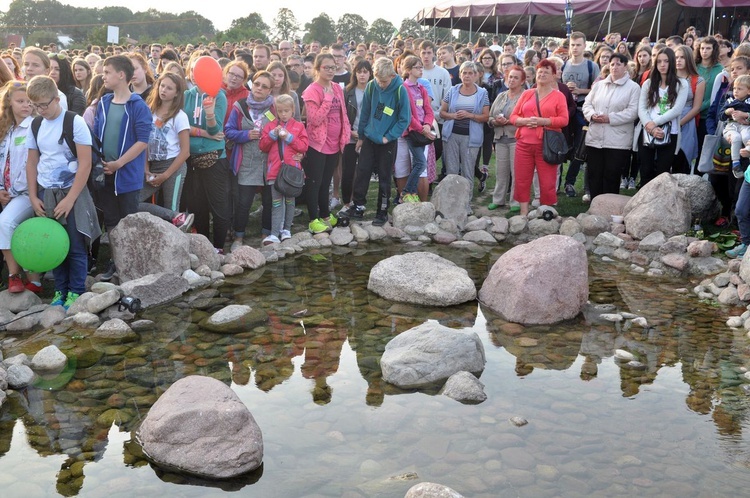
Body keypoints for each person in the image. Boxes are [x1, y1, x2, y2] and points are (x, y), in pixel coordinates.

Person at [26, 75, 101, 309]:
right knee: (54, 245)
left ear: (57, 99)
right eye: (35, 106)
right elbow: (31, 162)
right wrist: (32, 195)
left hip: (73, 191)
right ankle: (60, 291)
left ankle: (76, 292)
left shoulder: (74, 122)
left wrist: (70, 199)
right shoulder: (36, 124)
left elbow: (85, 163)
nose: (40, 110)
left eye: (44, 105)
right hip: (47, 191)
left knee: (76, 245)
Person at [93, 55, 152, 280]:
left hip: (126, 175)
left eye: (107, 72)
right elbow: (98, 134)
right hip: (105, 174)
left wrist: (120, 163)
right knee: (111, 221)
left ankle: (132, 264)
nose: (103, 76)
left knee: (128, 220)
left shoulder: (138, 105)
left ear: (121, 75)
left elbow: (142, 141)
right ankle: (115, 261)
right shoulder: (105, 102)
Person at [340, 57, 409, 226]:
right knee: (362, 171)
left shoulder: (400, 90)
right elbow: (365, 114)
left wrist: (389, 136)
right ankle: (358, 205)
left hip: (387, 141)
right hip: (370, 138)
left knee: (385, 176)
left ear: (392, 76)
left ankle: (382, 211)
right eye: (378, 80)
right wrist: (362, 137)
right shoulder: (372, 86)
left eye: (384, 81)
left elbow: (404, 119)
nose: (381, 84)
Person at [509, 59, 569, 216]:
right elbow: (514, 116)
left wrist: (544, 121)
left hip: (546, 145)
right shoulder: (527, 94)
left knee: (547, 181)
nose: (542, 74)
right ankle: (523, 212)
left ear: (554, 76)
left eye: (546, 72)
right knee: (522, 179)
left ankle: (546, 212)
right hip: (524, 143)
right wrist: (524, 121)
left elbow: (564, 120)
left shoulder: (559, 96)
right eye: (540, 71)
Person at [184, 53, 230, 252]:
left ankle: (219, 247)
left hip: (214, 159)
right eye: (194, 71)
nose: (196, 75)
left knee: (218, 204)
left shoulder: (218, 95)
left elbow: (216, 130)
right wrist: (202, 133)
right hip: (190, 158)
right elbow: (182, 127)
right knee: (197, 205)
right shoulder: (186, 96)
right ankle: (204, 248)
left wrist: (210, 116)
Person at [225, 71, 275, 249]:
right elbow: (228, 131)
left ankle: (266, 235)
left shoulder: (274, 108)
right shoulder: (240, 106)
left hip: (269, 163)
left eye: (264, 86)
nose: (259, 88)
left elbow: (284, 128)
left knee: (269, 201)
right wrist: (246, 134)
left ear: (270, 90)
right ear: (252, 85)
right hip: (246, 161)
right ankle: (239, 237)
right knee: (244, 202)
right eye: (257, 84)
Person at [301, 54, 351, 233]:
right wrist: (327, 99)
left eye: (333, 67)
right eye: (326, 67)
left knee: (326, 182)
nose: (330, 71)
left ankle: (324, 214)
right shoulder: (312, 91)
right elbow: (314, 119)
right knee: (315, 182)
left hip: (334, 143)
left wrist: (345, 134)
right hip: (317, 144)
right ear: (317, 69)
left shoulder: (337, 87)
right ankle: (313, 219)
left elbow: (342, 114)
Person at [0, 81, 42, 293]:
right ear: (9, 102)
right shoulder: (5, 128)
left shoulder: (35, 126)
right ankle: (33, 280)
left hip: (28, 192)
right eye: (20, 101)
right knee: (13, 229)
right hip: (8, 192)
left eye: (28, 101)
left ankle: (14, 275)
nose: (26, 105)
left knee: (6, 223)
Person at [581, 53, 640, 200]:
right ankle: (595, 206)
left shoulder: (633, 88)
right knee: (594, 174)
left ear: (625, 67)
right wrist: (592, 115)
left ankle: (609, 207)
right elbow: (587, 104)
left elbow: (632, 112)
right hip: (595, 138)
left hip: (617, 141)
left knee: (611, 175)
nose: (614, 67)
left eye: (619, 64)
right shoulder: (599, 85)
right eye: (612, 64)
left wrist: (610, 118)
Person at [139, 72, 192, 230]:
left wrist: (166, 175)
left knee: (172, 207)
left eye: (169, 88)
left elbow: (185, 151)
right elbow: (145, 143)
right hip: (153, 165)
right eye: (162, 86)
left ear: (176, 93)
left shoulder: (179, 116)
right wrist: (146, 169)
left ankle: (177, 235)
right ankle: (174, 217)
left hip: (173, 167)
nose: (164, 90)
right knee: (133, 201)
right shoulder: (149, 111)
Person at [259, 94, 309, 244]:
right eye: (280, 111)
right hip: (274, 171)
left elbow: (304, 146)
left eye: (286, 110)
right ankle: (275, 233)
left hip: (291, 172)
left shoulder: (299, 126)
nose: (283, 114)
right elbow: (262, 146)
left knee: (290, 201)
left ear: (293, 110)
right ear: (275, 110)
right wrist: (272, 135)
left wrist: (289, 137)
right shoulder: (270, 126)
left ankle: (286, 230)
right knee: (276, 202)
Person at [439, 61, 490, 203]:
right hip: (451, 136)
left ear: (476, 75)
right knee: (451, 171)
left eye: (470, 73)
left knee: (468, 172)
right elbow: (442, 112)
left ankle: (465, 204)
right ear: (460, 75)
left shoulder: (482, 93)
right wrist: (452, 116)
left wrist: (470, 115)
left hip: (470, 138)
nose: (467, 76)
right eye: (464, 73)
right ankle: (451, 203)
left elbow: (486, 116)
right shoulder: (453, 90)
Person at [637, 47, 688, 185]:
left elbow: (677, 109)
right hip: (648, 130)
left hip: (670, 132)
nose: (662, 65)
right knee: (646, 170)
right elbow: (641, 108)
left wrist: (655, 123)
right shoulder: (648, 83)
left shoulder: (682, 83)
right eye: (659, 61)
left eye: (666, 61)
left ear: (671, 62)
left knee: (662, 172)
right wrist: (651, 126)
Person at [561, 32, 599, 198]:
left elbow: (598, 89)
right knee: (562, 147)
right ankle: (555, 183)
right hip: (565, 110)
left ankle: (570, 182)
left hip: (583, 111)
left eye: (578, 45)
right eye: (572, 45)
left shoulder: (591, 66)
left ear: (584, 46)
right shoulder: (564, 65)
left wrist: (579, 91)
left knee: (580, 148)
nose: (575, 48)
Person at [394, 56, 435, 203]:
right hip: (410, 132)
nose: (420, 70)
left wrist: (427, 125)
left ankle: (407, 193)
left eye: (421, 67)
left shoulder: (422, 89)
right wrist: (421, 129)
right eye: (417, 67)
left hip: (421, 131)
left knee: (420, 164)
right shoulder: (403, 89)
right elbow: (407, 114)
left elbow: (428, 110)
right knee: (419, 163)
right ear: (409, 70)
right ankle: (406, 192)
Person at [488, 65, 525, 210]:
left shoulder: (525, 96)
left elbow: (526, 118)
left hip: (516, 138)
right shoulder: (501, 95)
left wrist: (508, 121)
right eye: (510, 77)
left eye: (516, 78)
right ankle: (498, 199)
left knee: (517, 172)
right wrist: (494, 121)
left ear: (522, 81)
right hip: (500, 138)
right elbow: (490, 116)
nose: (512, 80)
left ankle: (515, 201)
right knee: (500, 171)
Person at [342, 60, 372, 209]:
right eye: (359, 72)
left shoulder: (375, 91)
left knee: (363, 171)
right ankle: (347, 202)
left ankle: (359, 201)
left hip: (367, 137)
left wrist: (363, 134)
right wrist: (350, 131)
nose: (362, 75)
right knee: (348, 171)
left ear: (370, 74)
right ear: (355, 73)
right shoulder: (348, 91)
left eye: (365, 72)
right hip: (350, 136)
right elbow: (342, 115)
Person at [673, 45, 705, 175]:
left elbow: (696, 107)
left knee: (681, 159)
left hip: (686, 122)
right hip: (666, 120)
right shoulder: (667, 77)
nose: (678, 60)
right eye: (676, 57)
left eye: (682, 57)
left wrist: (679, 123)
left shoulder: (698, 80)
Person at [719, 75, 750, 178]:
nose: (736, 91)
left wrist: (744, 114)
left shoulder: (748, 101)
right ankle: (735, 164)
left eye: (740, 89)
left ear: (748, 91)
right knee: (736, 138)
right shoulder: (730, 100)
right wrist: (727, 112)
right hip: (731, 126)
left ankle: (748, 154)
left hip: (745, 126)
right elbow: (721, 115)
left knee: (746, 136)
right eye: (735, 88)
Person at [221, 60, 250, 126]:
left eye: (239, 76)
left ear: (244, 80)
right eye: (231, 74)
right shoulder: (217, 91)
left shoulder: (247, 96)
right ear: (226, 73)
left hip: (236, 134)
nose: (234, 78)